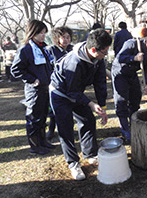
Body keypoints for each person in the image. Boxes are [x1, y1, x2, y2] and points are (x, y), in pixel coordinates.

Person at [49, 29, 112, 181]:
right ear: (93, 50)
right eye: (104, 52)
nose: (106, 55)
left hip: (76, 92)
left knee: (88, 120)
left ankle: (90, 154)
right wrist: (91, 104)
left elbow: (100, 83)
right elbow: (72, 92)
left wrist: (102, 107)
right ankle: (73, 163)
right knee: (65, 128)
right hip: (60, 94)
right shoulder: (74, 62)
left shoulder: (98, 59)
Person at [111, 27, 147, 142]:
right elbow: (120, 58)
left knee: (135, 98)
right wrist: (133, 58)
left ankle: (133, 124)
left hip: (132, 74)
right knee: (122, 100)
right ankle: (125, 130)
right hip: (120, 72)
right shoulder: (132, 44)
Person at [11, 20, 55, 155]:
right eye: (40, 33)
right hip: (34, 90)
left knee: (42, 117)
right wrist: (32, 80)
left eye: (44, 33)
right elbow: (16, 69)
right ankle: (35, 146)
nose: (43, 36)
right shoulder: (26, 50)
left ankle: (43, 142)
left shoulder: (43, 48)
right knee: (33, 118)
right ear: (32, 33)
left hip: (45, 88)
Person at [46, 26, 74, 140]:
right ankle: (51, 129)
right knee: (53, 110)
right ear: (57, 38)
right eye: (63, 37)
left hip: (70, 84)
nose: (66, 40)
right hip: (55, 84)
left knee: (69, 108)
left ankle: (69, 129)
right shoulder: (51, 50)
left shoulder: (73, 49)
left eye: (68, 37)